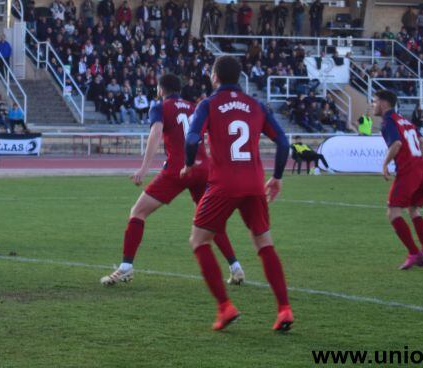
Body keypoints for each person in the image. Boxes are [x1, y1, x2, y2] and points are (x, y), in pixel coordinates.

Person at [101, 73, 244, 288]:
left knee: (138, 212)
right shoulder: (194, 106)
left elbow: (156, 133)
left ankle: (126, 267)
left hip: (178, 169)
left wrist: (143, 168)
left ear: (160, 89)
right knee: (210, 220)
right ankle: (235, 267)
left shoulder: (159, 106)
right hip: (203, 168)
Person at [183, 55, 293, 332]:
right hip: (255, 183)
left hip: (224, 184)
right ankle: (284, 310)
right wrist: (277, 177)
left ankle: (225, 307)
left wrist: (187, 165)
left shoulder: (208, 104)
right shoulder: (257, 105)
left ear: (215, 76)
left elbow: (192, 137)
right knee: (264, 243)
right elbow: (283, 142)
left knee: (199, 240)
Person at [376, 90, 423, 269]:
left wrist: (385, 164)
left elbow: (397, 144)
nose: (372, 105)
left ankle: (414, 253)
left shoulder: (388, 121)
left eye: (374, 101)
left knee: (393, 213)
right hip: (421, 168)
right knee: (413, 209)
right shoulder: (406, 121)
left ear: (384, 103)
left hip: (408, 171)